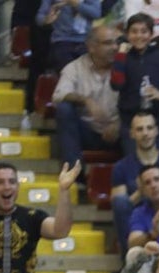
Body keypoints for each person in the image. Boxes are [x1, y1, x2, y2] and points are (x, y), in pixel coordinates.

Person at [111, 112, 159, 255]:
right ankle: (126, 259)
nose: (145, 133)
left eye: (149, 128)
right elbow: (119, 205)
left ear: (156, 131)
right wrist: (141, 191)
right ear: (132, 133)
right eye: (139, 129)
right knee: (120, 202)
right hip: (137, 215)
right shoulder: (121, 167)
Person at [110, 12, 159, 156]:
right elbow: (117, 84)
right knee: (134, 165)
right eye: (134, 32)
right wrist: (121, 54)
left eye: (144, 32)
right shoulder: (122, 57)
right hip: (131, 121)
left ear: (151, 34)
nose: (139, 36)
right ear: (127, 34)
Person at [51, 25, 120, 170]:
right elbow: (58, 95)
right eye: (108, 43)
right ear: (91, 47)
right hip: (88, 132)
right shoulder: (74, 68)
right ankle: (74, 173)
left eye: (116, 42)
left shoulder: (125, 65)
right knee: (64, 109)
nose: (115, 47)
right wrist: (86, 100)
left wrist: (120, 124)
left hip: (120, 131)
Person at [37, 0, 101, 71]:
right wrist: (46, 19)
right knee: (67, 71)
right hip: (61, 40)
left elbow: (96, 13)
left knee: (89, 71)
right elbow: (39, 17)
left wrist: (76, 4)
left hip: (85, 41)